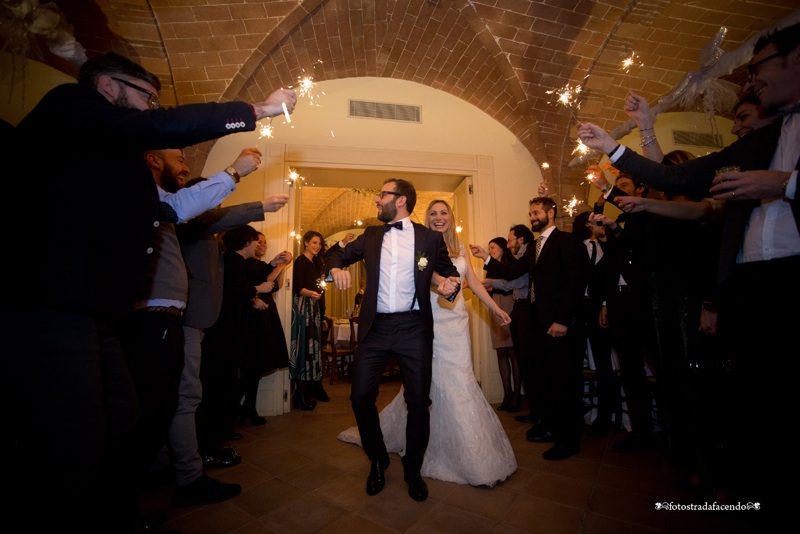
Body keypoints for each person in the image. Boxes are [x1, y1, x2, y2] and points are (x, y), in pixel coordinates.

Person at [0, 50, 296, 532]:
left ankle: (117, 512)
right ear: (107, 86)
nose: (153, 110)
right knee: (71, 441)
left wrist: (239, 181)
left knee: (123, 417)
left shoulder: (119, 162)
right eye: (148, 98)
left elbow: (176, 209)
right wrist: (257, 110)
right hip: (49, 302)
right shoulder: (69, 107)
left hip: (97, 312)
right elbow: (156, 136)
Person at [576, 21, 800, 506]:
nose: (748, 85)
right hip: (739, 288)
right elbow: (673, 184)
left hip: (720, 290)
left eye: (756, 71)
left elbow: (690, 202)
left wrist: (786, 184)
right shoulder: (755, 146)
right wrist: (621, 148)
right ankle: (724, 477)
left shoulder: (768, 153)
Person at [121, 147, 265, 514]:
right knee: (173, 400)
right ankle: (183, 476)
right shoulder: (174, 214)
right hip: (164, 320)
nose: (184, 166)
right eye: (180, 159)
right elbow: (209, 220)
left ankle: (168, 470)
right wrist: (252, 196)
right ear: (152, 159)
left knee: (173, 400)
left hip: (186, 321)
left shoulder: (178, 219)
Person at [338, 200, 515, 487]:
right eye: (433, 213)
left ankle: (458, 450)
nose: (438, 217)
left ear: (451, 218)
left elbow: (476, 283)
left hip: (455, 324)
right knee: (419, 391)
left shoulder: (460, 250)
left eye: (443, 212)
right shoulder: (420, 247)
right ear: (427, 220)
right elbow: (420, 277)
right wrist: (439, 283)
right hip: (423, 323)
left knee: (456, 383)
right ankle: (395, 455)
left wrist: (494, 309)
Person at [326, 179, 460, 502]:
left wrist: (449, 286)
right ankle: (378, 459)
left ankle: (413, 468)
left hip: (413, 327)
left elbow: (449, 272)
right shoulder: (371, 236)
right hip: (376, 328)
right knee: (360, 397)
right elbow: (335, 254)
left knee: (418, 401)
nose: (376, 200)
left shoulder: (429, 238)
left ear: (400, 201)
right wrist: (335, 267)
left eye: (382, 194)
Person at [173, 180, 289, 506]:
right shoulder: (229, 256)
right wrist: (256, 293)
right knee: (209, 390)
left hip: (217, 327)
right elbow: (244, 290)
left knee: (218, 386)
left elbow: (252, 288)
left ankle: (212, 443)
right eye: (255, 239)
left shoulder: (226, 256)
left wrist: (258, 291)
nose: (258, 244)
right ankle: (207, 448)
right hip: (211, 328)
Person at [471, 197, 588, 461]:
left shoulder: (566, 241)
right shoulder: (535, 246)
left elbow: (574, 283)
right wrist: (486, 257)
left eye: (536, 212)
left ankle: (569, 440)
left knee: (565, 381)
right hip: (539, 321)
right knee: (546, 378)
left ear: (551, 212)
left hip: (559, 323)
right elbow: (512, 272)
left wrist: (563, 320)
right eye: (530, 213)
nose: (532, 217)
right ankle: (551, 426)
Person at [571, 211, 619, 437]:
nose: (602, 224)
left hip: (599, 308)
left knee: (603, 365)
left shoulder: (608, 249)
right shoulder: (574, 248)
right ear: (587, 225)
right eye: (597, 221)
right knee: (574, 365)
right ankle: (576, 415)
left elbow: (611, 279)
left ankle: (604, 416)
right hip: (577, 311)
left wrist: (606, 305)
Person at [240, 232, 292, 425]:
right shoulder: (247, 264)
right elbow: (266, 281)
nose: (262, 245)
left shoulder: (262, 265)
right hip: (253, 314)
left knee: (259, 362)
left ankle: (247, 406)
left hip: (266, 313)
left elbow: (276, 285)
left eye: (264, 242)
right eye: (258, 241)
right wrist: (279, 265)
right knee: (254, 361)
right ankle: (242, 406)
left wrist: (284, 266)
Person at [481, 237, 522, 412]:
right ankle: (507, 394)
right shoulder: (490, 269)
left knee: (514, 353)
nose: (490, 251)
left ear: (503, 248)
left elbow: (514, 285)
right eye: (489, 249)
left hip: (510, 306)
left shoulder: (511, 266)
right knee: (501, 354)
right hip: (495, 310)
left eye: (493, 248)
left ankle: (517, 396)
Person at [290, 230, 329, 409]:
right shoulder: (300, 261)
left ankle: (306, 391)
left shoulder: (316, 263)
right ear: (306, 243)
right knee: (303, 348)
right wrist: (312, 294)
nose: (317, 246)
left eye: (319, 244)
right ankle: (301, 394)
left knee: (312, 350)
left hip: (313, 308)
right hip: (303, 307)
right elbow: (298, 287)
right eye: (314, 243)